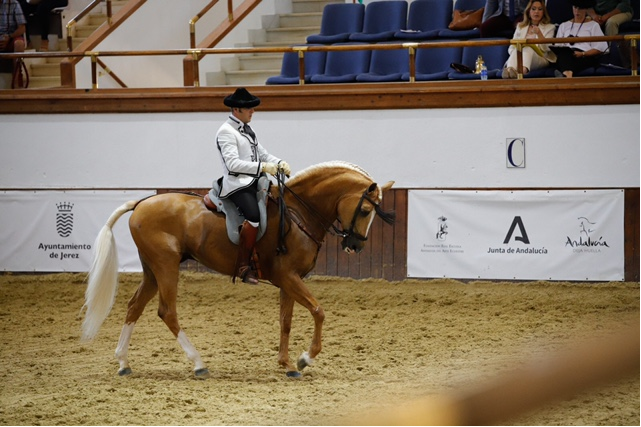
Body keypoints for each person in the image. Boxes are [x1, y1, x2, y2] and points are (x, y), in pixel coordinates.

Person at [216, 87, 291, 285]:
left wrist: (279, 163)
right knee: (254, 217)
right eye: (249, 108)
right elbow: (233, 165)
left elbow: (263, 154)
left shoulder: (248, 130)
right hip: (236, 184)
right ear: (236, 110)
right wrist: (263, 167)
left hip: (255, 181)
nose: (253, 111)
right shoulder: (226, 132)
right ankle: (243, 266)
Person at [553, 0, 608, 78]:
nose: (577, 11)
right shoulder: (564, 25)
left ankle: (565, 75)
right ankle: (568, 76)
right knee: (564, 55)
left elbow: (600, 47)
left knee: (565, 61)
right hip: (567, 53)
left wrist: (582, 54)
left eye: (580, 8)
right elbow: (558, 46)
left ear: (585, 10)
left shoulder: (593, 25)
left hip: (585, 56)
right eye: (575, 7)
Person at [502, 0, 557, 78]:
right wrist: (518, 54)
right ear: (528, 12)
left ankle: (522, 71)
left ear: (543, 12)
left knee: (528, 47)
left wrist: (539, 34)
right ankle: (509, 70)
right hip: (519, 56)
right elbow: (511, 48)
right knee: (516, 48)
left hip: (541, 57)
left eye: (540, 9)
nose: (536, 12)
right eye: (533, 9)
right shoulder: (520, 26)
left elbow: (547, 49)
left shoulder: (550, 27)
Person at [0, 0, 26, 86]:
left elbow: (22, 28)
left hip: (11, 36)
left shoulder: (14, 3)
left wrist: (9, 37)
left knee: (19, 43)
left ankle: (16, 79)